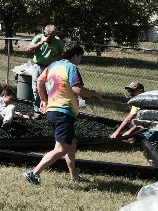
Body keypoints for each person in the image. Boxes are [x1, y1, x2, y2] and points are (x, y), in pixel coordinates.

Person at [24, 42, 102, 185]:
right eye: (80, 57)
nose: (80, 60)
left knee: (72, 143)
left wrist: (44, 100)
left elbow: (40, 81)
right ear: (76, 55)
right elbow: (77, 90)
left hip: (54, 110)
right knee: (62, 148)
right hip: (63, 112)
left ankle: (74, 177)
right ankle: (33, 173)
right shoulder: (72, 68)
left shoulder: (53, 65)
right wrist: (94, 93)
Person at [24, 24, 64, 115]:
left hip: (51, 68)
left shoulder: (57, 41)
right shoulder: (39, 37)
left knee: (50, 90)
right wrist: (40, 43)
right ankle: (37, 110)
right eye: (48, 36)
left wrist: (56, 52)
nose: (49, 38)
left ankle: (49, 110)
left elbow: (63, 56)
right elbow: (28, 49)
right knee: (36, 89)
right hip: (38, 66)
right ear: (45, 33)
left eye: (51, 36)